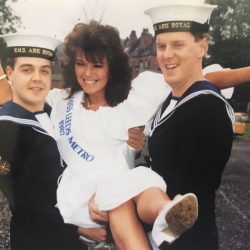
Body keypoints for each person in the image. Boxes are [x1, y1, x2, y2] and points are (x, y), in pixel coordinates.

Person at [0, 32, 198, 250]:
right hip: (81, 192)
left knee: (141, 182)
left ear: (111, 68)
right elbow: (12, 94)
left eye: (97, 65)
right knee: (119, 198)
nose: (87, 73)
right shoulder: (61, 102)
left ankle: (166, 212)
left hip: (120, 187)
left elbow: (188, 83)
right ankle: (162, 220)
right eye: (81, 64)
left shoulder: (128, 106)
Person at [143, 2, 234, 249]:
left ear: (201, 47)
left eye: (178, 45)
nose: (166, 54)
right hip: (162, 237)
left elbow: (188, 190)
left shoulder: (207, 107)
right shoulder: (171, 99)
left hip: (187, 241)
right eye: (161, 46)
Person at [0, 34, 92, 250]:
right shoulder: (6, 128)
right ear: (10, 74)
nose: (37, 78)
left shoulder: (56, 115)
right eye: (27, 69)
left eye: (44, 70)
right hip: (36, 240)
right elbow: (23, 201)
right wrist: (79, 228)